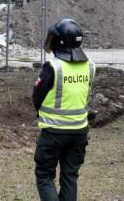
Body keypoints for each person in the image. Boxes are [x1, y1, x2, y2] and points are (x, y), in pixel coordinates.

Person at [32, 18, 95, 201]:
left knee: (44, 174)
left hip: (53, 132)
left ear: (59, 42)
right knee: (69, 176)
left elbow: (37, 97)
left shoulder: (53, 67)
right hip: (79, 132)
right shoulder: (90, 66)